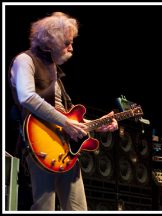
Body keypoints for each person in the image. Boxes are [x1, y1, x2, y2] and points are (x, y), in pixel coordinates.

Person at [8, 12, 118, 211]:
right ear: (50, 42)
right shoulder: (24, 60)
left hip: (65, 150)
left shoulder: (56, 73)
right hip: (39, 147)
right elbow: (27, 97)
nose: (71, 47)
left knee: (78, 209)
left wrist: (99, 124)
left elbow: (66, 117)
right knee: (44, 208)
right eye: (67, 42)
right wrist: (67, 123)